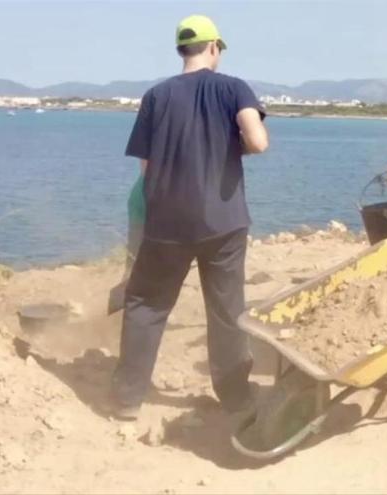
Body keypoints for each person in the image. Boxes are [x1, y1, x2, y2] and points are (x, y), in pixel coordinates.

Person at [111, 14, 269, 420]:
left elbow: (146, 166)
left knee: (146, 304)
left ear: (182, 50)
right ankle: (235, 397)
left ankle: (128, 399)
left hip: (167, 223)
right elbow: (258, 141)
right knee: (226, 309)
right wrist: (231, 149)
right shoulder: (234, 88)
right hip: (224, 222)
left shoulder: (156, 96)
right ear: (213, 47)